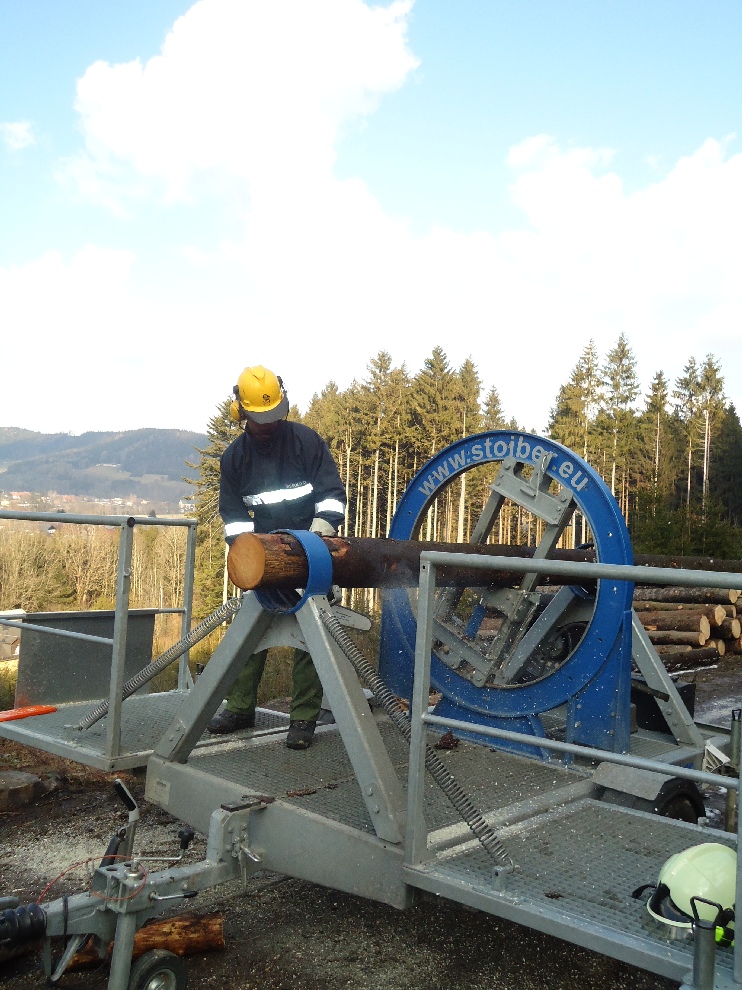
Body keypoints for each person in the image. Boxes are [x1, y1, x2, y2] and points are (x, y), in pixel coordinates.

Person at [207, 365, 346, 750]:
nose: (268, 424)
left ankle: (303, 719)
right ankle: (239, 708)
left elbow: (332, 496)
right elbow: (234, 517)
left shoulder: (305, 442)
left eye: (273, 416)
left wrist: (316, 541)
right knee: (248, 633)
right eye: (260, 418)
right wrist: (248, 556)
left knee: (311, 638)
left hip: (314, 550)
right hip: (264, 557)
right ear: (240, 412)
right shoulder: (235, 459)